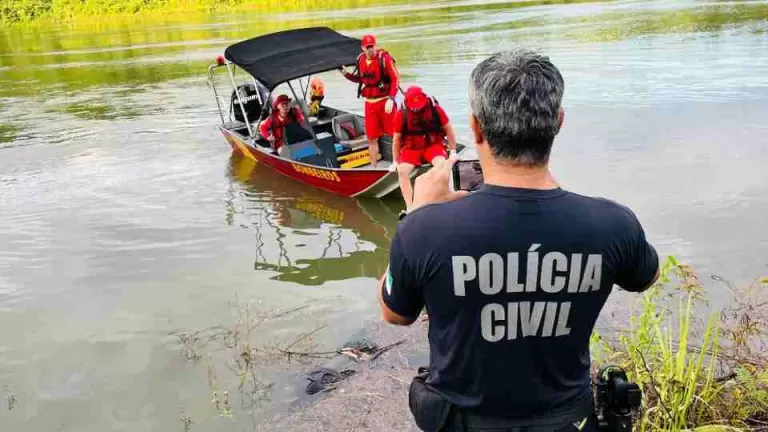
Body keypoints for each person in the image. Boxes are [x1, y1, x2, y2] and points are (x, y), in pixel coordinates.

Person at [377, 50, 660, 432]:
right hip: (569, 421)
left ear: (476, 129)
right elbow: (645, 276)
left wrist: (416, 213)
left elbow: (395, 313)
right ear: (557, 123)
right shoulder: (612, 224)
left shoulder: (423, 230)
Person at [390, 85, 458, 212]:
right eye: (413, 107)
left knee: (442, 164)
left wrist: (453, 151)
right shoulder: (402, 113)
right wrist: (395, 160)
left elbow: (449, 129)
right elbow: (396, 139)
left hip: (433, 146)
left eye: (419, 106)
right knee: (402, 171)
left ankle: (444, 195)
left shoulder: (435, 108)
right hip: (412, 149)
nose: (416, 109)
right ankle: (410, 207)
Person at [340, 33, 400, 168]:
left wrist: (391, 98)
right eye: (367, 47)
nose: (370, 50)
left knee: (395, 134)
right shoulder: (360, 60)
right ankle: (374, 168)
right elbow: (361, 79)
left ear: (375, 45)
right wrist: (347, 74)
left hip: (385, 102)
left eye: (372, 46)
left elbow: (395, 78)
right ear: (362, 48)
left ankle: (398, 163)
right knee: (371, 138)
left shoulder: (384, 59)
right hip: (370, 104)